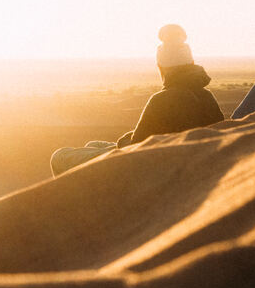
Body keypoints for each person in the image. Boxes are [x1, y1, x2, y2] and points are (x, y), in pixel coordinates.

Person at [48, 24, 224, 176]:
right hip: (176, 157)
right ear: (191, 63)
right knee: (92, 144)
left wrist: (125, 141)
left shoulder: (163, 99)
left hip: (142, 163)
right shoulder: (206, 96)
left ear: (162, 68)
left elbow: (137, 146)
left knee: (60, 156)